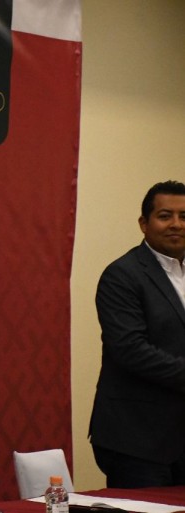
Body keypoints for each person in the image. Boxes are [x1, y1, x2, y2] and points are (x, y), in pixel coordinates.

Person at [89, 180, 185, 488]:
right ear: (144, 224)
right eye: (165, 216)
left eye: (184, 216)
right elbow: (130, 349)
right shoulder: (122, 275)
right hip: (137, 440)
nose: (176, 224)